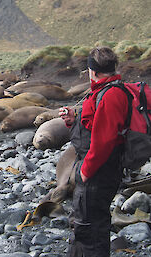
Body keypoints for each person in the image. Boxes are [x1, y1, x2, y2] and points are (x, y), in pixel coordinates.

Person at [59, 46, 129, 257]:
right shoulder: (103, 90)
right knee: (84, 224)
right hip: (95, 168)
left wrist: (85, 171)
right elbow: (94, 127)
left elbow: (104, 141)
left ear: (94, 71)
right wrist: (74, 120)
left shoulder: (111, 95)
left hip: (98, 172)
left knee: (91, 228)